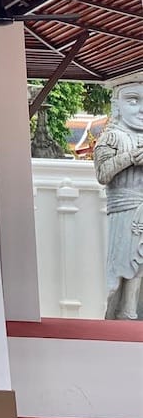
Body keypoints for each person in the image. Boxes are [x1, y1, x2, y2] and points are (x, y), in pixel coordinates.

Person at [93, 79, 143, 319]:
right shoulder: (112, 137)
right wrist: (131, 158)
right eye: (133, 100)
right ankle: (124, 312)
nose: (141, 108)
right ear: (117, 104)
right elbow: (103, 174)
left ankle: (133, 311)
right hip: (125, 209)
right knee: (126, 263)